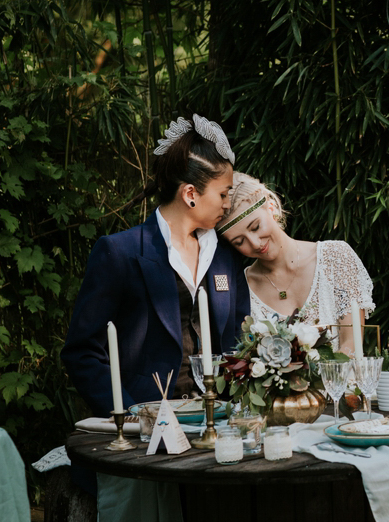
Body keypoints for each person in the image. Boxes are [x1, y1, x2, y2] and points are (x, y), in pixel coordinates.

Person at [62, 114, 251, 418]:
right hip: (147, 426)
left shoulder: (225, 256)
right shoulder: (119, 253)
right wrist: (128, 414)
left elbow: (243, 340)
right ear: (190, 194)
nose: (227, 204)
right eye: (223, 194)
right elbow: (82, 352)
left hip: (221, 422)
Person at [216, 172, 374, 354]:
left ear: (271, 207)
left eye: (256, 227)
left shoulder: (336, 258)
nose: (255, 243)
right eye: (239, 241)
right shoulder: (240, 289)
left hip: (344, 381)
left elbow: (352, 345)